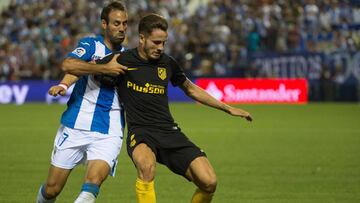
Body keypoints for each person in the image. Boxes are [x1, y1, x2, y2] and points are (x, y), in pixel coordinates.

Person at [98, 13, 253, 203]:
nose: (160, 48)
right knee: (146, 168)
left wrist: (227, 108)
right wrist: (66, 83)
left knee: (209, 182)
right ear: (142, 38)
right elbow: (79, 67)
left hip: (169, 131)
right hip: (141, 132)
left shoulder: (168, 63)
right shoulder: (122, 60)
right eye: (156, 42)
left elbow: (191, 89)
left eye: (163, 43)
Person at [36, 1, 128, 203]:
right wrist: (64, 85)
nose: (121, 28)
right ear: (104, 24)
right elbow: (69, 64)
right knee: (52, 189)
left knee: (92, 183)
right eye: (116, 23)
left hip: (109, 129)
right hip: (76, 123)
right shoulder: (90, 45)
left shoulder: (129, 56)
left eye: (124, 24)